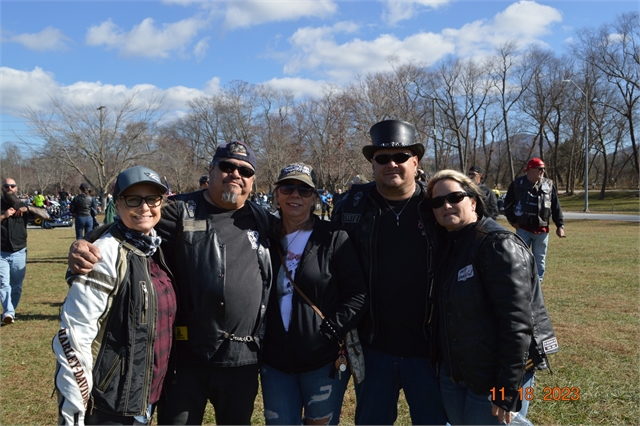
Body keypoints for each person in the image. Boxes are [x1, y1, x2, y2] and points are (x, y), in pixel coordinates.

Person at [68, 141, 273, 425]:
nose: (235, 174)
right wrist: (84, 243)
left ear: (252, 180)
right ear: (211, 170)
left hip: (242, 358)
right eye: (227, 167)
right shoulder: (180, 211)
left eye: (245, 171)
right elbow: (131, 224)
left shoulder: (263, 219)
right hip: (184, 358)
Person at [332, 119, 447, 425]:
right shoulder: (351, 207)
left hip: (428, 347)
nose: (391, 164)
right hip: (373, 347)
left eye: (400, 157)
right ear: (372, 163)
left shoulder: (437, 205)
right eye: (382, 158)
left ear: (415, 161)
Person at [426, 169, 557, 425]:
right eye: (437, 201)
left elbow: (518, 323)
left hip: (492, 381)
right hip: (456, 374)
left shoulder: (497, 245)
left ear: (473, 201)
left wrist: (507, 388)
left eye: (455, 197)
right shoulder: (449, 246)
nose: (447, 205)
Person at [53, 166, 175, 425]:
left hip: (145, 396)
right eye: (133, 199)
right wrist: (74, 413)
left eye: (152, 199)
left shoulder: (153, 247)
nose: (144, 207)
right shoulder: (102, 254)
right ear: (117, 204)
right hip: (112, 404)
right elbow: (74, 337)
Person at [261, 163, 366, 425]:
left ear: (314, 199)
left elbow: (357, 295)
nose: (295, 195)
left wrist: (329, 331)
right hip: (274, 363)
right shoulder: (264, 238)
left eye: (304, 190)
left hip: (321, 361)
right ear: (277, 194)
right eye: (287, 187)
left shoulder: (333, 238)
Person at [504, 158, 566, 282]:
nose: (543, 171)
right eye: (540, 169)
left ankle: (538, 284)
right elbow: (507, 205)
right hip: (523, 229)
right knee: (520, 258)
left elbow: (555, 206)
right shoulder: (517, 184)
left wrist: (560, 225)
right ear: (531, 170)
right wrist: (513, 222)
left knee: (540, 259)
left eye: (543, 169)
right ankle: (522, 283)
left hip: (542, 230)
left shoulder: (549, 184)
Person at [1, 178, 50, 324]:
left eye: (12, 186)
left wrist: (28, 209)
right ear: (2, 189)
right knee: (3, 284)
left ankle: (10, 313)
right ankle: (9, 312)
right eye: (6, 186)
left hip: (19, 251)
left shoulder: (23, 205)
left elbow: (47, 216)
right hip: (1, 252)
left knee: (16, 286)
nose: (9, 188)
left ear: (16, 188)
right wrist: (4, 216)